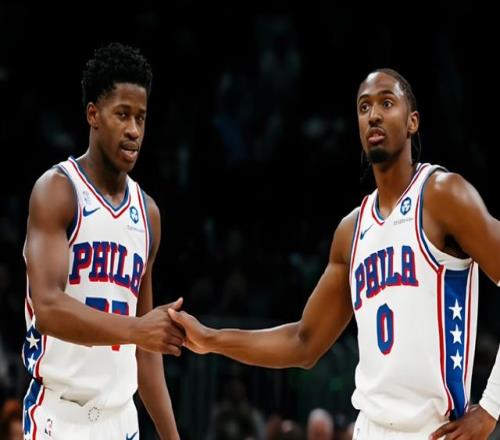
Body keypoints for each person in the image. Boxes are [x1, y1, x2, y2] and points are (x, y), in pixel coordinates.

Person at [168, 68, 500, 439]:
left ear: (412, 122)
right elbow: (303, 342)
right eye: (364, 107)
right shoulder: (351, 232)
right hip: (370, 428)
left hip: (436, 430)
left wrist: (491, 408)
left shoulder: (443, 194)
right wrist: (211, 339)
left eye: (387, 103)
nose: (373, 115)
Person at [22, 42, 184, 439]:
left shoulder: (148, 213)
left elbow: (147, 351)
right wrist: (136, 330)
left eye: (141, 118)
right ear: (93, 114)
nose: (134, 130)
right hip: (59, 416)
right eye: (122, 114)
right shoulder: (58, 190)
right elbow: (48, 308)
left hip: (121, 420)